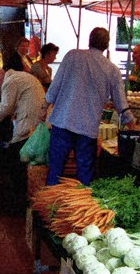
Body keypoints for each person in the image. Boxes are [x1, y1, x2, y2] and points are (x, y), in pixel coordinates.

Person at [44, 27, 134, 186]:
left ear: (89, 40)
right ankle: (83, 198)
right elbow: (120, 101)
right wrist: (130, 122)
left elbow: (55, 86)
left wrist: (44, 106)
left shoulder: (72, 56)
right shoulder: (112, 70)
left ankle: (49, 199)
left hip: (62, 122)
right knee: (84, 173)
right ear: (107, 45)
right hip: (87, 128)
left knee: (55, 170)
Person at [0, 58, 46, 215]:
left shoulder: (9, 82)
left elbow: (6, 107)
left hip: (29, 119)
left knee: (15, 156)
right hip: (36, 116)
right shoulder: (18, 76)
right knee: (16, 153)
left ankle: (17, 199)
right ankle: (18, 194)